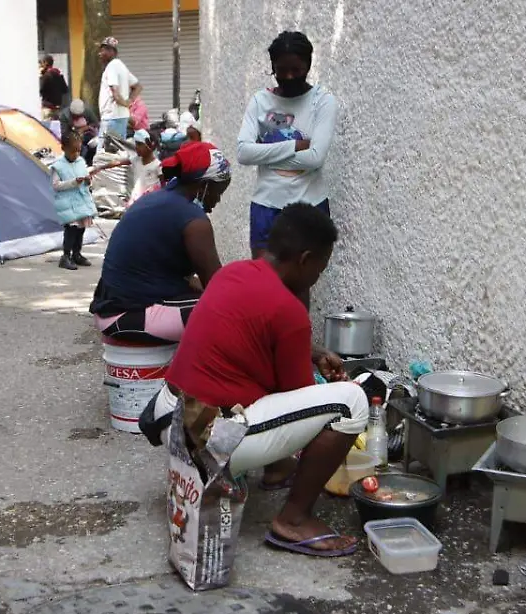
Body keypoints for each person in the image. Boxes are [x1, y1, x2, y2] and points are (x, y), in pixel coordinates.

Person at [147, 204, 365, 556]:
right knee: (349, 402)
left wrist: (310, 352)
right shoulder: (290, 311)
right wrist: (330, 388)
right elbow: (299, 405)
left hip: (170, 416)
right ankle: (293, 520)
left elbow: (252, 334)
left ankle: (278, 471)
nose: (317, 277)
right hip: (206, 440)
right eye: (320, 268)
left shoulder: (233, 273)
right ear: (305, 259)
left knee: (256, 389)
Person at [89, 142, 229, 344]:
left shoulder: (157, 199)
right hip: (129, 316)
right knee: (236, 313)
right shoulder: (194, 221)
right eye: (219, 191)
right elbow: (218, 287)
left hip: (111, 308)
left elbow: (171, 272)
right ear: (204, 185)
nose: (218, 200)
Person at [238, 31, 337, 260]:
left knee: (300, 285)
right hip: (266, 205)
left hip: (309, 207)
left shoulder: (322, 101)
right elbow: (243, 153)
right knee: (264, 281)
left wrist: (262, 152)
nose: (289, 76)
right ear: (273, 66)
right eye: (281, 70)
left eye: (296, 69)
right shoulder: (260, 101)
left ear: (309, 65)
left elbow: (315, 158)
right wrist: (296, 146)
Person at [51, 130, 102, 270]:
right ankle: (66, 256)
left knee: (81, 229)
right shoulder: (58, 166)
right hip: (68, 204)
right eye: (73, 151)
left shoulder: (81, 161)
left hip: (81, 202)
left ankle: (77, 253)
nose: (76, 154)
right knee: (71, 230)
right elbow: (56, 186)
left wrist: (87, 181)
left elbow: (85, 177)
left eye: (79, 151)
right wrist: (74, 182)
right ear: (64, 148)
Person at [97, 37, 141, 139]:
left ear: (111, 51)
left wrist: (125, 103)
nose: (100, 54)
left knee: (103, 153)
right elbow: (138, 87)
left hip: (111, 118)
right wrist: (128, 102)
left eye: (102, 50)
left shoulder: (112, 67)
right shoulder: (121, 66)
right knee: (118, 151)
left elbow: (115, 93)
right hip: (121, 117)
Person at [129, 129, 162, 203]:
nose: (136, 147)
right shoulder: (136, 160)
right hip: (136, 200)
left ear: (151, 146)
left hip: (150, 202)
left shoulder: (157, 165)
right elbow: (118, 162)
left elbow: (163, 186)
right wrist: (101, 167)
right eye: (136, 144)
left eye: (140, 144)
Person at [39, 54, 69, 120]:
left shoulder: (46, 76)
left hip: (47, 108)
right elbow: (65, 90)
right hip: (57, 108)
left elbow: (40, 90)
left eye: (42, 63)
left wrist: (41, 76)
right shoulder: (59, 75)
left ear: (45, 63)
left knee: (46, 127)